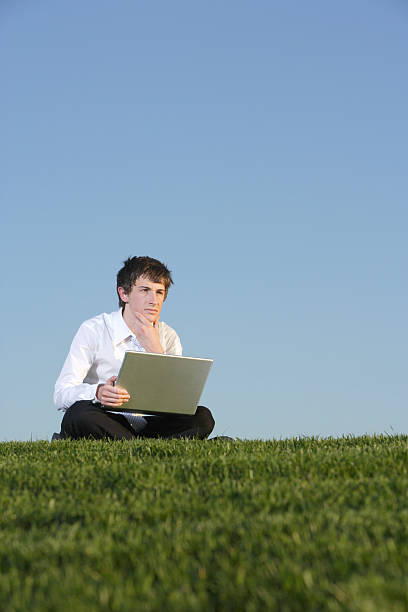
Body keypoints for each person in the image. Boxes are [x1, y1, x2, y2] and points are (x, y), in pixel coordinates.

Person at [54, 256, 215, 440]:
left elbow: (176, 400)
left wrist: (155, 349)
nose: (153, 300)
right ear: (124, 294)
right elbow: (61, 394)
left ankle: (136, 444)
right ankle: (155, 446)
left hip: (154, 422)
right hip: (107, 417)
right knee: (78, 415)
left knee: (203, 417)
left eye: (159, 292)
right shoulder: (94, 329)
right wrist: (98, 392)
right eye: (145, 290)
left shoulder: (168, 336)